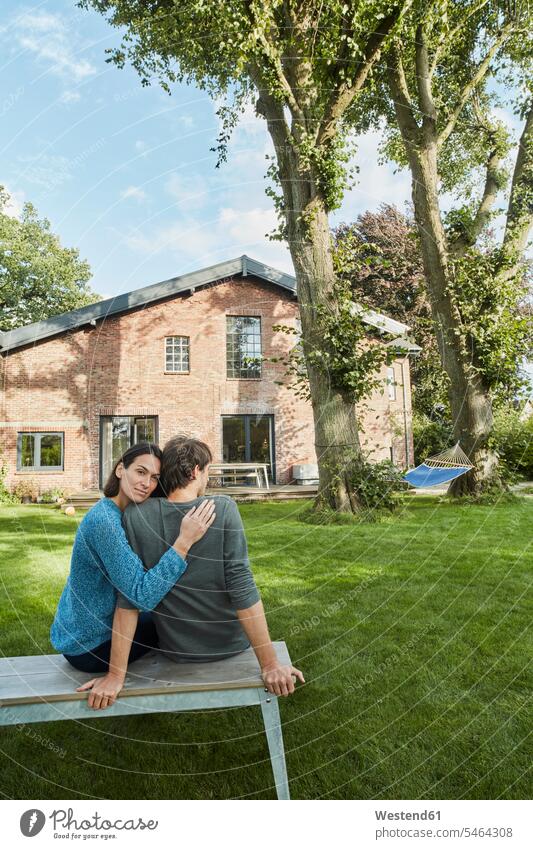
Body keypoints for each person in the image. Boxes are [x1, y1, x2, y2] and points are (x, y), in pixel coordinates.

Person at [83, 436, 304, 710]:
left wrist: (116, 676)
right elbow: (242, 587)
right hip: (230, 644)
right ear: (196, 471)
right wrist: (270, 664)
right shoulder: (222, 508)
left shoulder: (137, 515)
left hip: (177, 649)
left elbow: (128, 600)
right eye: (208, 471)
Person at [50, 442, 216, 707]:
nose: (146, 483)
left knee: (172, 611)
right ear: (120, 470)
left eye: (154, 478)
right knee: (180, 621)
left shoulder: (121, 513)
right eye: (140, 472)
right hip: (90, 646)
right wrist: (184, 542)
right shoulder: (105, 522)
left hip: (80, 631)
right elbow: (139, 595)